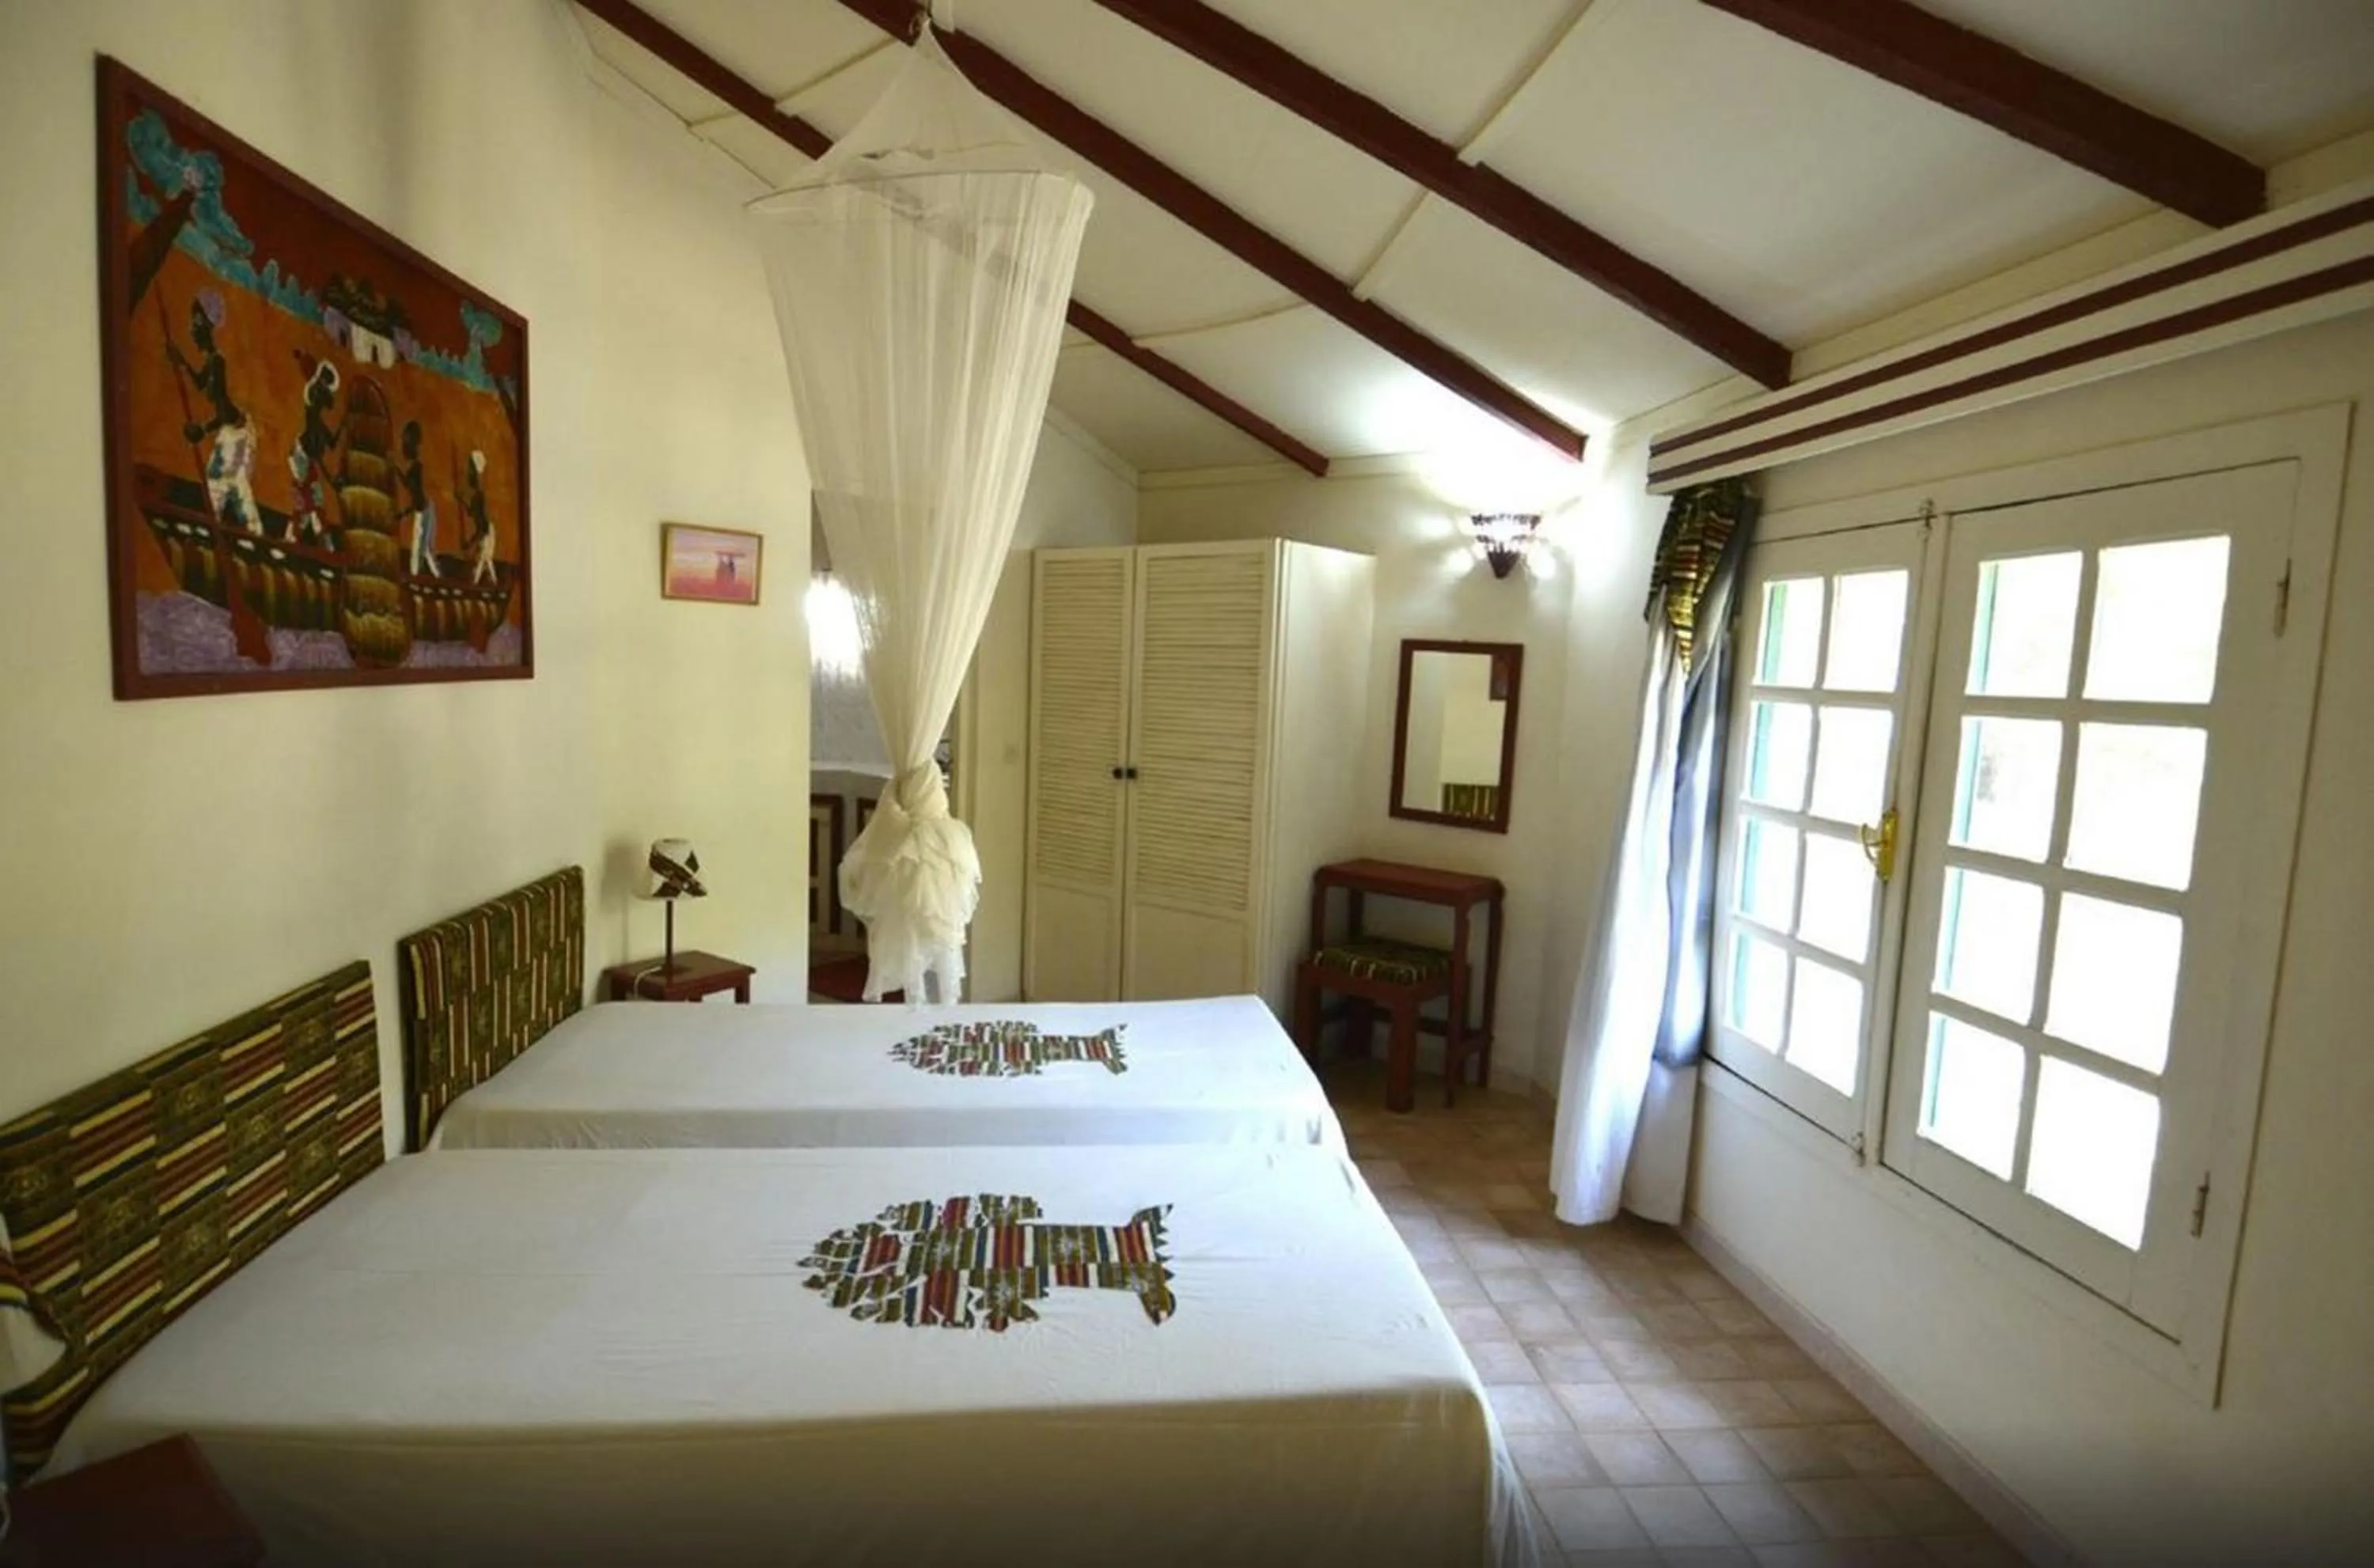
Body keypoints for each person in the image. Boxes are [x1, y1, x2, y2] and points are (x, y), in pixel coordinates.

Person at [164, 291, 258, 532]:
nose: (191, 329)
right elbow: (199, 384)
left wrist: (202, 430)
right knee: (220, 478)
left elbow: (225, 410)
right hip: (231, 428)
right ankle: (216, 528)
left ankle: (249, 532)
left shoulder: (218, 362)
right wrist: (182, 362)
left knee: (229, 480)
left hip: (237, 430)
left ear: (207, 327)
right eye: (192, 323)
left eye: (196, 324)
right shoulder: (211, 362)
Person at [286, 357, 343, 543]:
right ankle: (303, 538)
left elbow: (332, 443)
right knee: (309, 501)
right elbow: (316, 455)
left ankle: (295, 537)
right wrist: (331, 479)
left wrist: (344, 424)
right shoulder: (313, 424)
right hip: (301, 459)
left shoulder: (318, 424)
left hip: (306, 461)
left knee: (311, 502)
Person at [397, 421, 438, 577]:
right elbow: (409, 486)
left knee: (420, 550)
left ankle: (420, 578)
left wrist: (403, 514)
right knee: (425, 549)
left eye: (405, 442)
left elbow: (415, 496)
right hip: (423, 510)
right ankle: (434, 577)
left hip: (422, 511)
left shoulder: (416, 469)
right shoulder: (415, 468)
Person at [465, 450, 498, 584]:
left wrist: (470, 542)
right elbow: (470, 513)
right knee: (485, 561)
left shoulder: (479, 497)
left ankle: (478, 584)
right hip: (484, 533)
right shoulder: (476, 497)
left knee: (483, 560)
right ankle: (491, 582)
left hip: (486, 534)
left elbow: (481, 529)